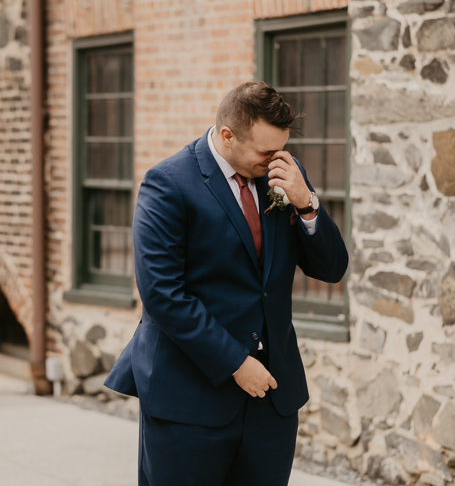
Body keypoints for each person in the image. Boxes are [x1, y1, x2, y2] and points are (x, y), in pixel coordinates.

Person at [105, 81, 349, 486]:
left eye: (282, 149)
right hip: (189, 397)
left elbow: (332, 268)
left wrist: (307, 203)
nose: (276, 161)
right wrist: (235, 363)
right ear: (226, 135)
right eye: (265, 152)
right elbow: (162, 294)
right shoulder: (168, 183)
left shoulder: (286, 177)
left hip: (271, 402)